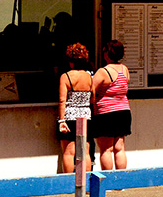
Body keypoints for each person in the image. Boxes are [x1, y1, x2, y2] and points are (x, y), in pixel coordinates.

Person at [92, 39, 130, 171]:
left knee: (106, 149)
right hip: (124, 111)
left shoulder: (103, 71)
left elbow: (91, 89)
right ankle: (120, 182)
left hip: (106, 113)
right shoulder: (124, 69)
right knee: (120, 147)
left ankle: (108, 180)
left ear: (108, 53)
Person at [56, 43, 93, 174]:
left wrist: (62, 120)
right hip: (86, 116)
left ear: (70, 60)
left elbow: (62, 100)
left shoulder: (66, 77)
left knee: (69, 152)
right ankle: (85, 181)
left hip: (70, 117)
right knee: (85, 152)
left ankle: (69, 183)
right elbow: (92, 97)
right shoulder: (89, 77)